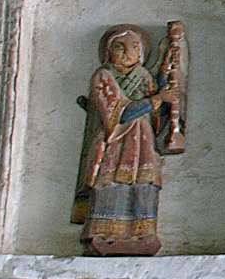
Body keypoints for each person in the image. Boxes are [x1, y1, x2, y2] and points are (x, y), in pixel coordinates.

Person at [71, 25, 178, 256]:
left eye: (134, 47)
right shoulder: (103, 76)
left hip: (143, 142)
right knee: (111, 183)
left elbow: (156, 115)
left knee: (144, 184)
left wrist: (167, 87)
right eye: (120, 47)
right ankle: (104, 234)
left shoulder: (145, 77)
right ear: (108, 52)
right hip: (115, 142)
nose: (128, 52)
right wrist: (157, 99)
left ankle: (142, 235)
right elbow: (117, 113)